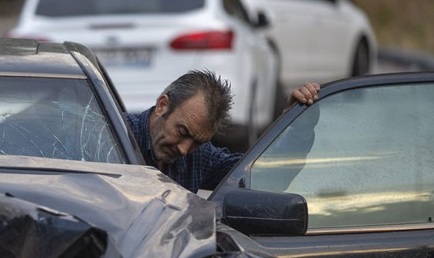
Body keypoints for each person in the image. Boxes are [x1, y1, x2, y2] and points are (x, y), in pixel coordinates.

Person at [124, 69, 320, 193]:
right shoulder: (110, 137)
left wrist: (296, 128)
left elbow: (263, 177)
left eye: (197, 142)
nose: (184, 150)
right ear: (162, 105)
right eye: (182, 132)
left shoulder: (200, 157)